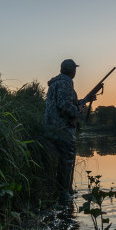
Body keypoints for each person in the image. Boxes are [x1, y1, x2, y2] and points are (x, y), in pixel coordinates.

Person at [43, 59, 95, 202]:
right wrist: (78, 110)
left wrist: (84, 101)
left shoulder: (56, 84)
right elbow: (65, 106)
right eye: (75, 69)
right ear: (73, 71)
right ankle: (63, 194)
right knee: (67, 160)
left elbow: (66, 102)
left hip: (52, 128)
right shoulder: (65, 84)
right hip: (62, 129)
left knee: (61, 161)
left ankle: (65, 191)